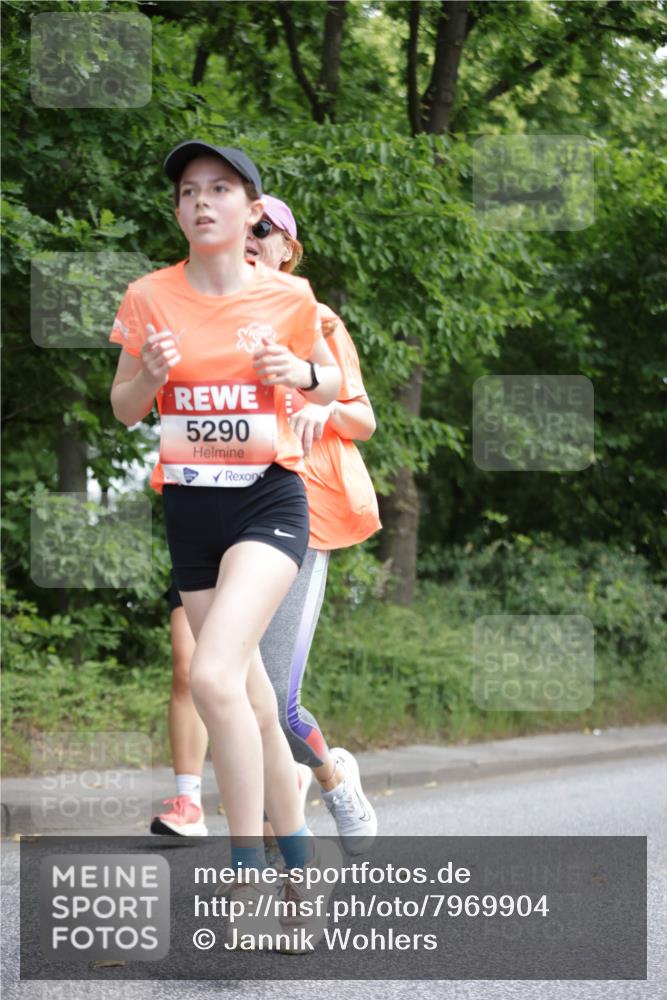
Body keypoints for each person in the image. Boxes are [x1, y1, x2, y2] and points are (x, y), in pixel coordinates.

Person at [109, 141, 342, 901]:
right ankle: (302, 872)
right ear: (177, 210)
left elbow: (333, 380)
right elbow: (123, 407)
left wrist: (302, 378)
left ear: (250, 211)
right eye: (186, 191)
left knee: (210, 674)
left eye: (218, 189)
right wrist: (148, 373)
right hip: (190, 509)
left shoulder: (289, 297)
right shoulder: (148, 296)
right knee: (250, 704)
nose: (200, 202)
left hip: (268, 500)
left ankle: (246, 871)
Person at [150, 194, 381, 855]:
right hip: (215, 512)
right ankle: (250, 831)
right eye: (241, 229)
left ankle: (331, 781)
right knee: (209, 673)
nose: (249, 238)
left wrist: (315, 402)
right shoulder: (203, 311)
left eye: (264, 231)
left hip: (298, 512)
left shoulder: (315, 318)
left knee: (274, 699)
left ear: (288, 249)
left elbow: (360, 416)